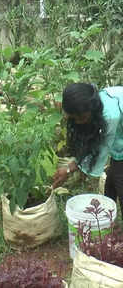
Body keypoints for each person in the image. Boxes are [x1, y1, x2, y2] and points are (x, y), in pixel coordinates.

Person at [53, 83, 123, 217]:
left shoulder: (109, 116)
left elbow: (101, 148)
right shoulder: (91, 102)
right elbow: (93, 143)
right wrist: (69, 169)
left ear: (92, 110)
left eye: (81, 118)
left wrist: (70, 169)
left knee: (119, 177)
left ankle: (108, 226)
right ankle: (107, 222)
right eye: (74, 118)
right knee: (112, 182)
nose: (78, 122)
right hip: (119, 138)